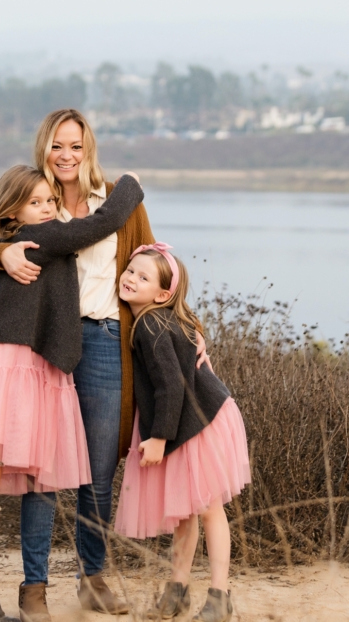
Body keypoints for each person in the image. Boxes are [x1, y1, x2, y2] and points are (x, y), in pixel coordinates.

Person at [0, 109, 207, 620]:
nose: (67, 155)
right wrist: (0, 256)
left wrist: (189, 332)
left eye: (76, 145)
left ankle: (92, 578)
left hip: (103, 341)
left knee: (98, 472)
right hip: (45, 345)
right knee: (41, 471)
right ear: (44, 147)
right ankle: (33, 588)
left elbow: (154, 267)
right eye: (58, 145)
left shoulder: (116, 203)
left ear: (89, 147)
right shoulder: (36, 199)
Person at [0, 165, 144, 622]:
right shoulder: (43, 236)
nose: (48, 209)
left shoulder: (15, 237)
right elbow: (102, 223)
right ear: (13, 211)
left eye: (49, 201)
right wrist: (130, 183)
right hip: (1, 366)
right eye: (36, 202)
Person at [114, 243, 251, 622]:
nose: (130, 279)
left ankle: (220, 596)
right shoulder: (157, 319)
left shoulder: (150, 325)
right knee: (187, 512)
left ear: (162, 294)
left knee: (207, 509)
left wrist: (158, 437)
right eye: (130, 271)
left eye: (143, 277)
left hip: (198, 422)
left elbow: (172, 386)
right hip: (192, 420)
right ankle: (177, 592)